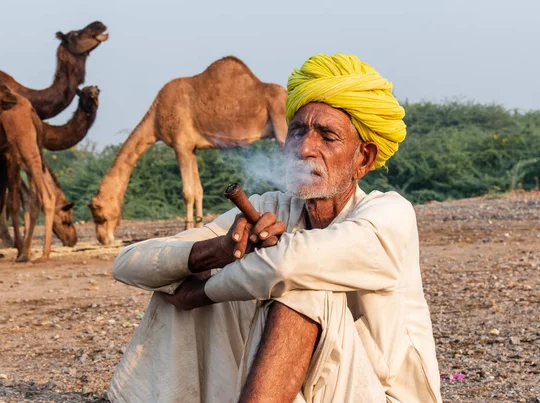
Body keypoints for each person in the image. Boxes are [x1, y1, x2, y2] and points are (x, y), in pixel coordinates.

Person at [108, 54, 442, 403]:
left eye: (327, 136)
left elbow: (288, 265)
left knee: (300, 286)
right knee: (178, 275)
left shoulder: (390, 214)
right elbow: (130, 262)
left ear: (363, 158)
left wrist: (205, 292)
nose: (304, 148)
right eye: (297, 132)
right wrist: (219, 250)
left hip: (380, 394)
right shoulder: (275, 206)